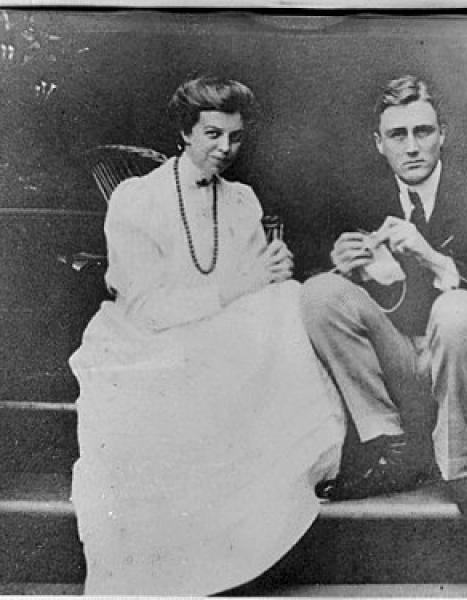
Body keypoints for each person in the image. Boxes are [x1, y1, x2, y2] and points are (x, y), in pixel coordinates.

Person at [69, 75, 345, 595]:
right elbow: (146, 305)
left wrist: (272, 270)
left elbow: (252, 286)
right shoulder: (137, 200)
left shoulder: (241, 200)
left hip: (221, 334)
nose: (225, 148)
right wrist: (238, 286)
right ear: (185, 132)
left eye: (235, 137)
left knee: (286, 302)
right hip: (146, 338)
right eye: (213, 134)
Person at [301, 75, 467, 517]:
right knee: (321, 293)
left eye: (423, 131)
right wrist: (345, 265)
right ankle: (388, 447)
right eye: (398, 135)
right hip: (402, 359)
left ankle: (461, 467)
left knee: (457, 312)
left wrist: (432, 257)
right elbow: (333, 287)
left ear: (443, 135)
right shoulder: (358, 195)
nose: (412, 147)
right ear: (379, 143)